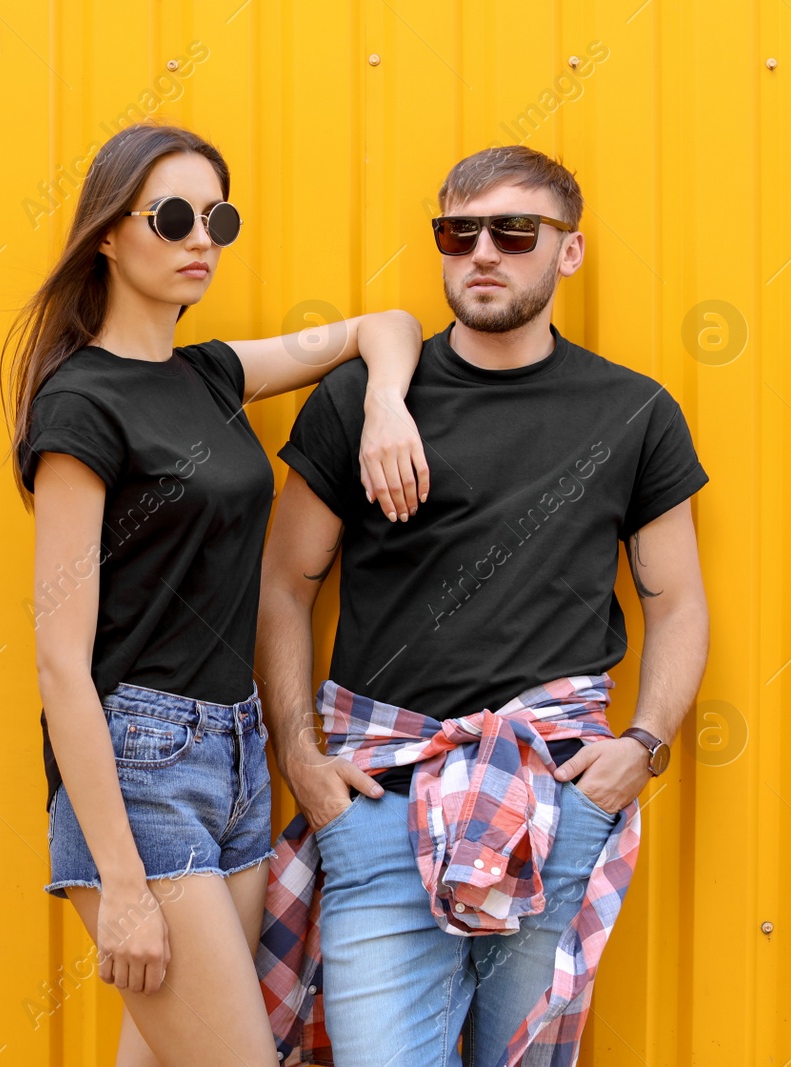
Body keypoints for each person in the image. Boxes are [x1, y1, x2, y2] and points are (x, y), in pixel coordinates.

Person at [255, 145, 711, 1066]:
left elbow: (680, 605)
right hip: (382, 792)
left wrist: (644, 748)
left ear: (568, 252)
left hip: (557, 796)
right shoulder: (364, 399)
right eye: (458, 233)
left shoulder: (635, 411)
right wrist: (299, 755)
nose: (483, 253)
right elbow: (283, 584)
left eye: (514, 231)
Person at [5, 122, 431, 1067]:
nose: (202, 238)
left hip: (235, 753)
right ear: (108, 235)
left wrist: (388, 404)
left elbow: (384, 327)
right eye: (172, 216)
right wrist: (119, 879)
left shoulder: (211, 376)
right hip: (139, 767)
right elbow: (59, 662)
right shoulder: (81, 406)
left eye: (218, 217)